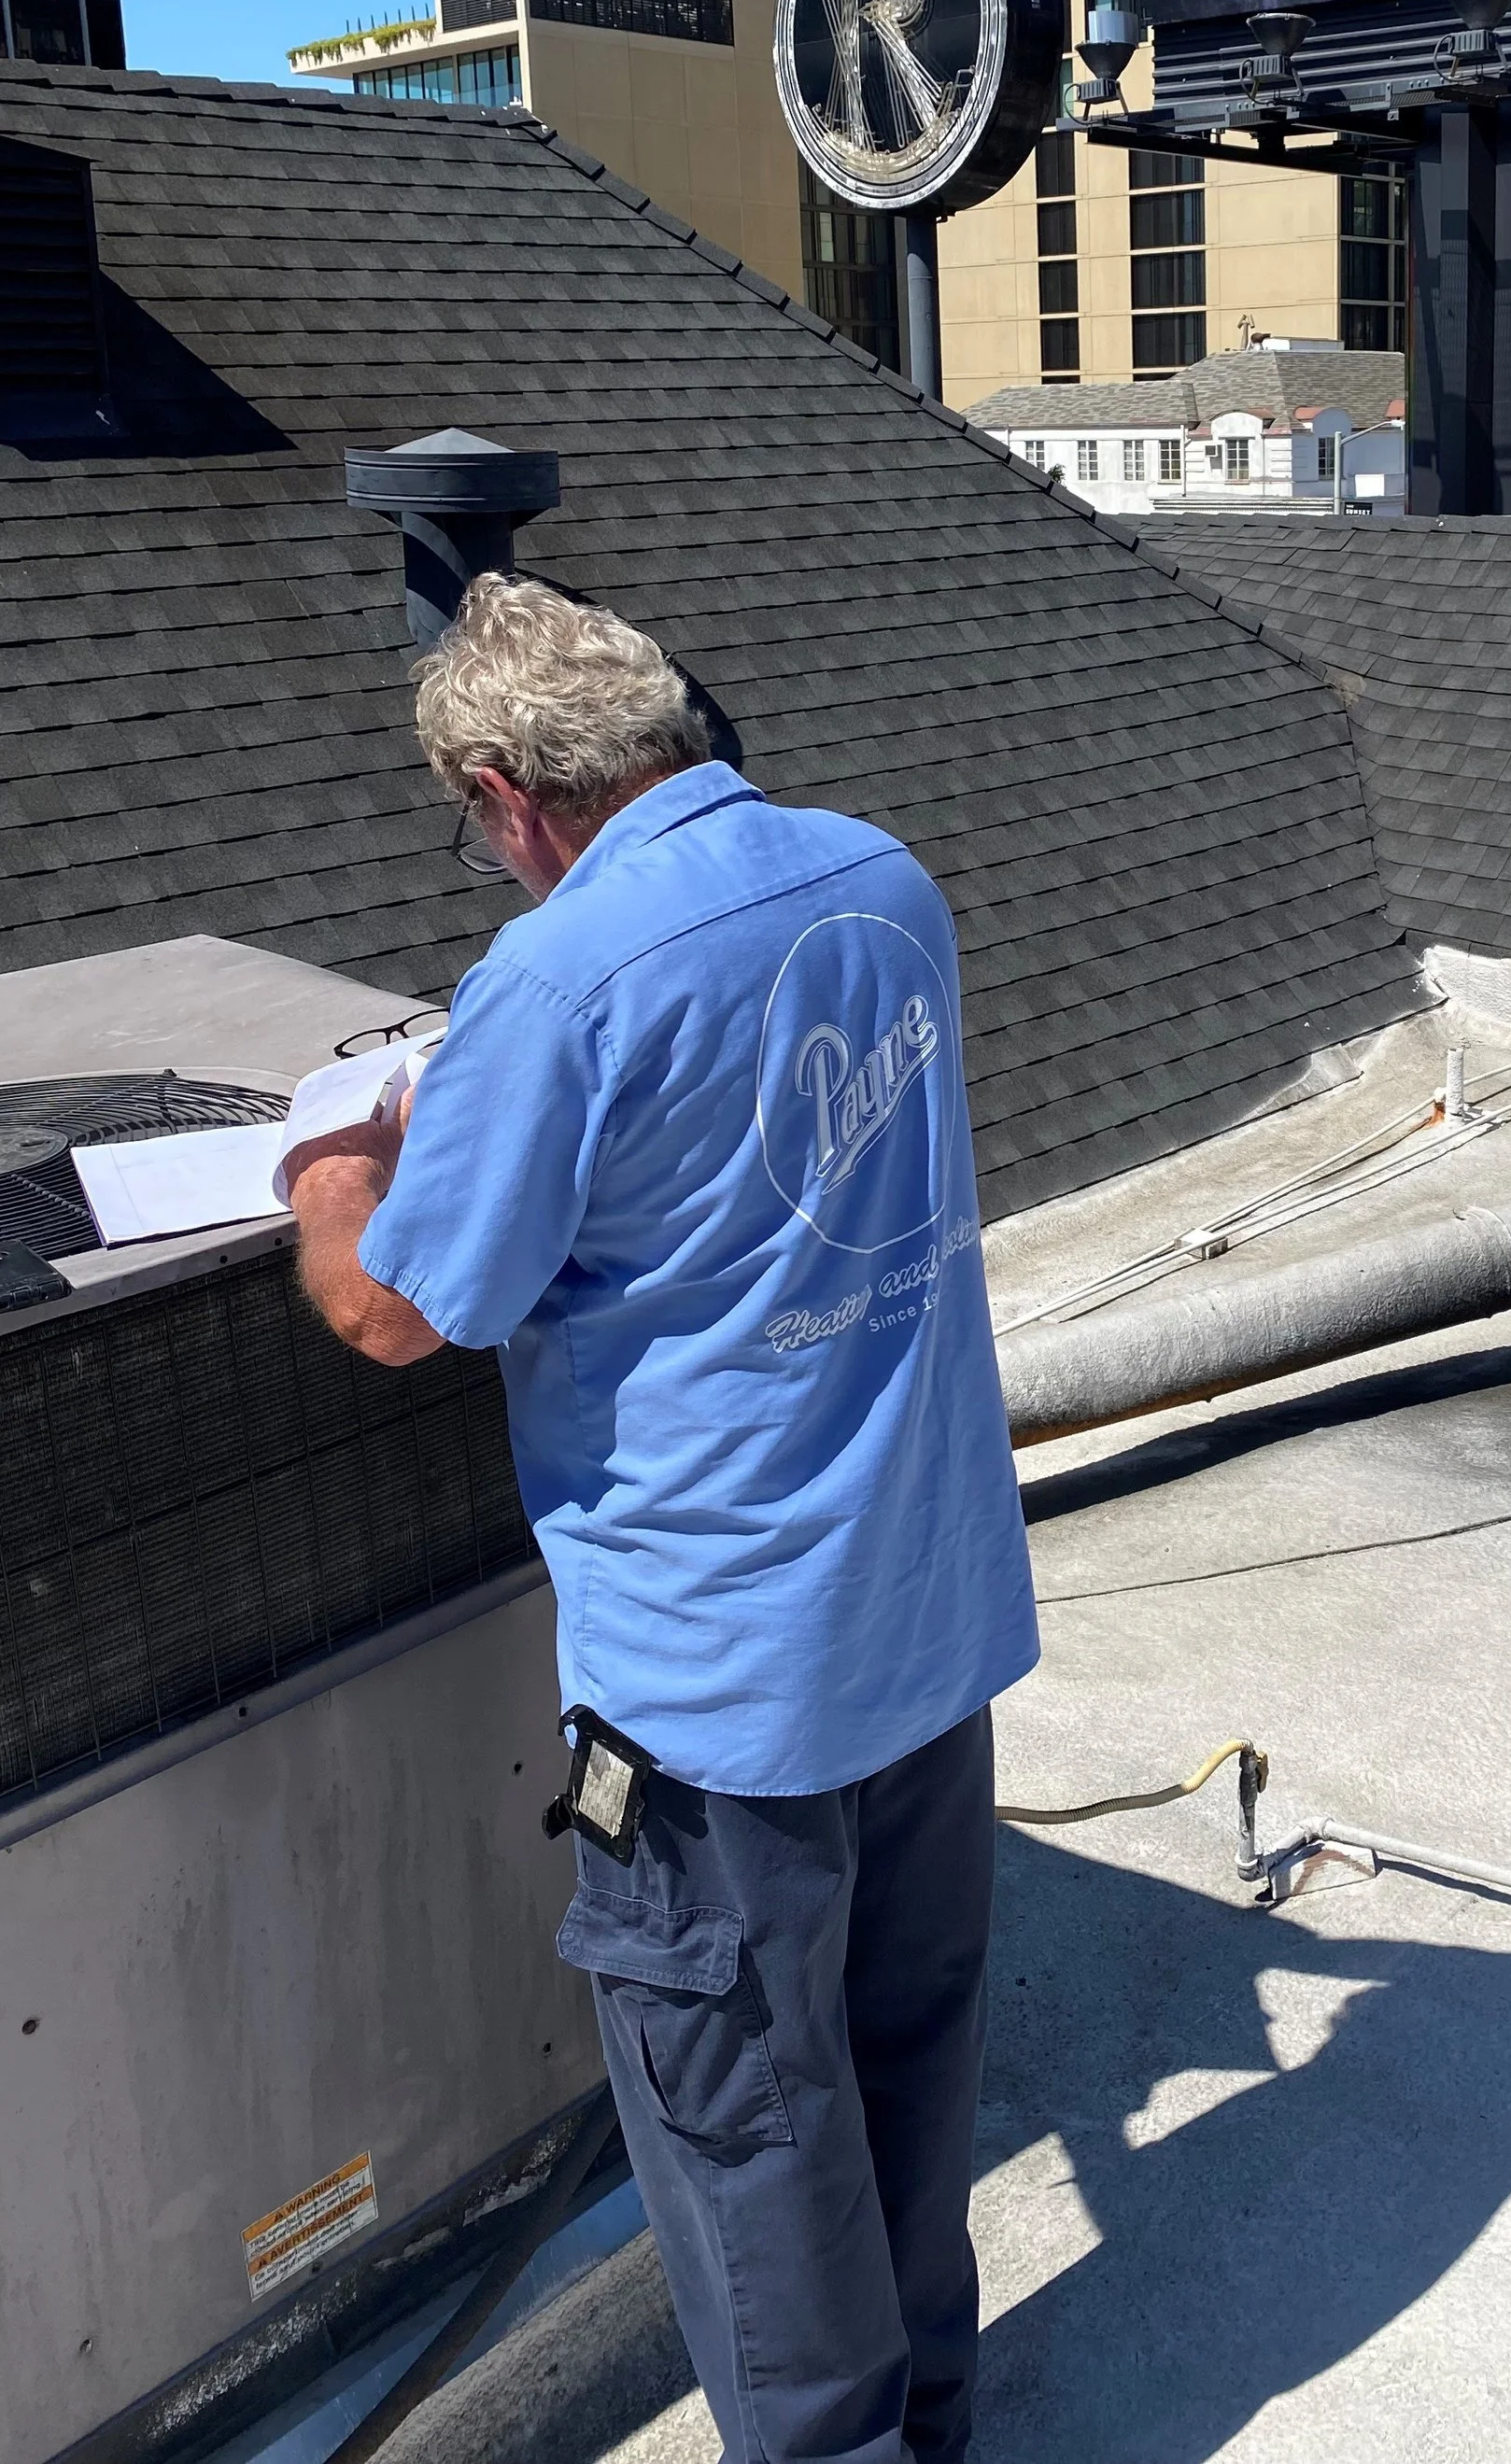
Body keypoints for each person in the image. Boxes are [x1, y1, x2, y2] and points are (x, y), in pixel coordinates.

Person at [285, 573, 1038, 2464]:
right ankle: (929, 2422)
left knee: (744, 2130)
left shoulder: (557, 977)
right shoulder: (881, 876)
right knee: (907, 2068)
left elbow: (393, 1307)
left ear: (507, 793)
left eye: (477, 828)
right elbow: (734, 1171)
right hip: (926, 1621)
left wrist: (325, 1168)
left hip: (720, 1696)